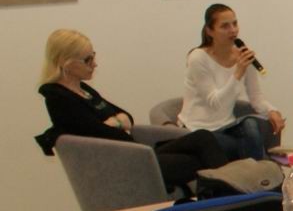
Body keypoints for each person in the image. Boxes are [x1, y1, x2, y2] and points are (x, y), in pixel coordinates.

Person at [37, 29, 234, 191]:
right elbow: (98, 132)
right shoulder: (57, 97)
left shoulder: (84, 89)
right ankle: (233, 199)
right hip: (123, 162)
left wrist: (116, 121)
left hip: (138, 151)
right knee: (197, 161)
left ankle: (231, 196)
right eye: (87, 60)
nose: (94, 64)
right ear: (66, 63)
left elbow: (127, 117)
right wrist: (117, 122)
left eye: (93, 56)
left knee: (203, 138)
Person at [179, 3, 285, 161]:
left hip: (226, 125)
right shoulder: (198, 58)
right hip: (198, 129)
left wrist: (272, 111)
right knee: (244, 146)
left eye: (235, 24)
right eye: (225, 26)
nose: (233, 30)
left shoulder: (242, 56)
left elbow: (256, 97)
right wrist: (238, 72)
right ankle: (257, 170)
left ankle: (256, 170)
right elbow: (215, 102)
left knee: (251, 125)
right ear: (209, 31)